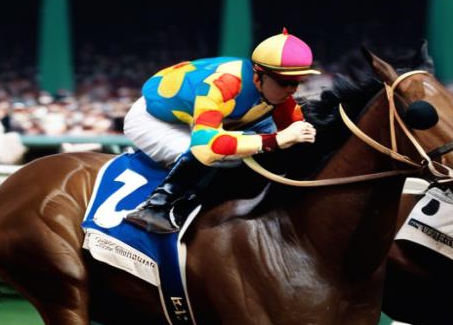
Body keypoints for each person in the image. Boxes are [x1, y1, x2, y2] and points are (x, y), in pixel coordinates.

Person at [123, 29, 320, 233]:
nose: (292, 90)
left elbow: (298, 133)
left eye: (296, 82)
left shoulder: (277, 94)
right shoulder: (223, 84)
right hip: (154, 119)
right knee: (217, 156)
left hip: (202, 116)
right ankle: (155, 208)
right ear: (258, 77)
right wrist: (275, 140)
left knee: (255, 147)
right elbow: (205, 148)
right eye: (284, 82)